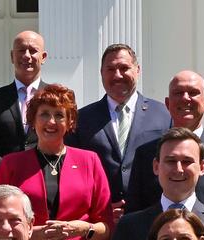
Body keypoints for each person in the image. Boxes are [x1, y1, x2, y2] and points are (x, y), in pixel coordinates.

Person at [0, 84, 112, 240]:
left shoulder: (89, 161)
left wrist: (82, 229)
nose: (51, 122)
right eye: (44, 114)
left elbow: (105, 229)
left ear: (69, 122)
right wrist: (30, 234)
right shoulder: (11, 165)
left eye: (59, 115)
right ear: (33, 120)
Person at [124, 71, 204, 226]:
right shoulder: (145, 153)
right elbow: (134, 215)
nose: (185, 98)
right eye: (178, 93)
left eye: (193, 93)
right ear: (167, 104)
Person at [71, 43, 171, 202]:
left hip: (151, 218)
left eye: (124, 68)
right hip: (101, 219)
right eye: (110, 69)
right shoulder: (81, 119)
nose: (117, 75)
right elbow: (74, 174)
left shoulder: (164, 115)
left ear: (137, 70)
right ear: (101, 73)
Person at [0, 31, 48, 175]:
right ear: (12, 56)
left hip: (45, 176)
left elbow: (67, 138)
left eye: (33, 51)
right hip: (5, 180)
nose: (26, 55)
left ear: (43, 57)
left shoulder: (58, 97)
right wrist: (5, 167)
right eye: (21, 50)